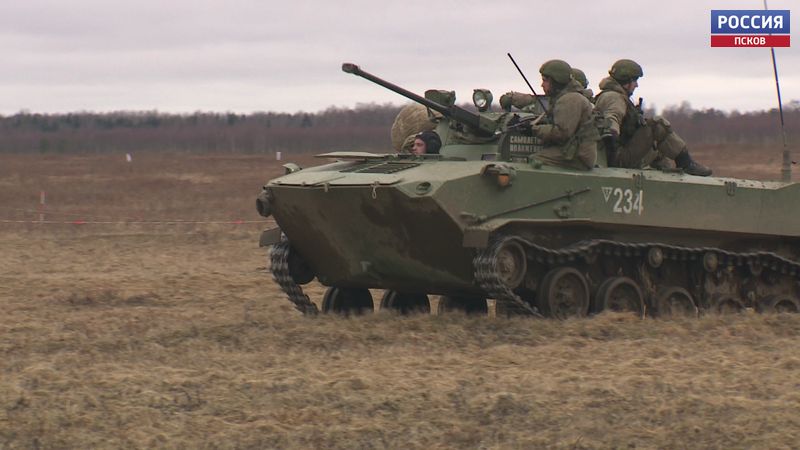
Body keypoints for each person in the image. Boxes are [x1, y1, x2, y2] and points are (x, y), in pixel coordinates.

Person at [594, 59, 711, 176]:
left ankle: (668, 174)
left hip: (615, 154)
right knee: (657, 125)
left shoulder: (611, 95)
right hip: (616, 158)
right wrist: (612, 134)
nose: (636, 85)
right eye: (635, 80)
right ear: (626, 80)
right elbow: (612, 117)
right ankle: (686, 163)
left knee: (656, 147)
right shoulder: (614, 97)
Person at [519, 59, 598, 170]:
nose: (542, 85)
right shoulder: (565, 97)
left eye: (545, 80)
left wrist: (534, 130)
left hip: (578, 156)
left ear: (556, 81)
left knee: (536, 160)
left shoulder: (570, 99)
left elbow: (561, 132)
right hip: (573, 150)